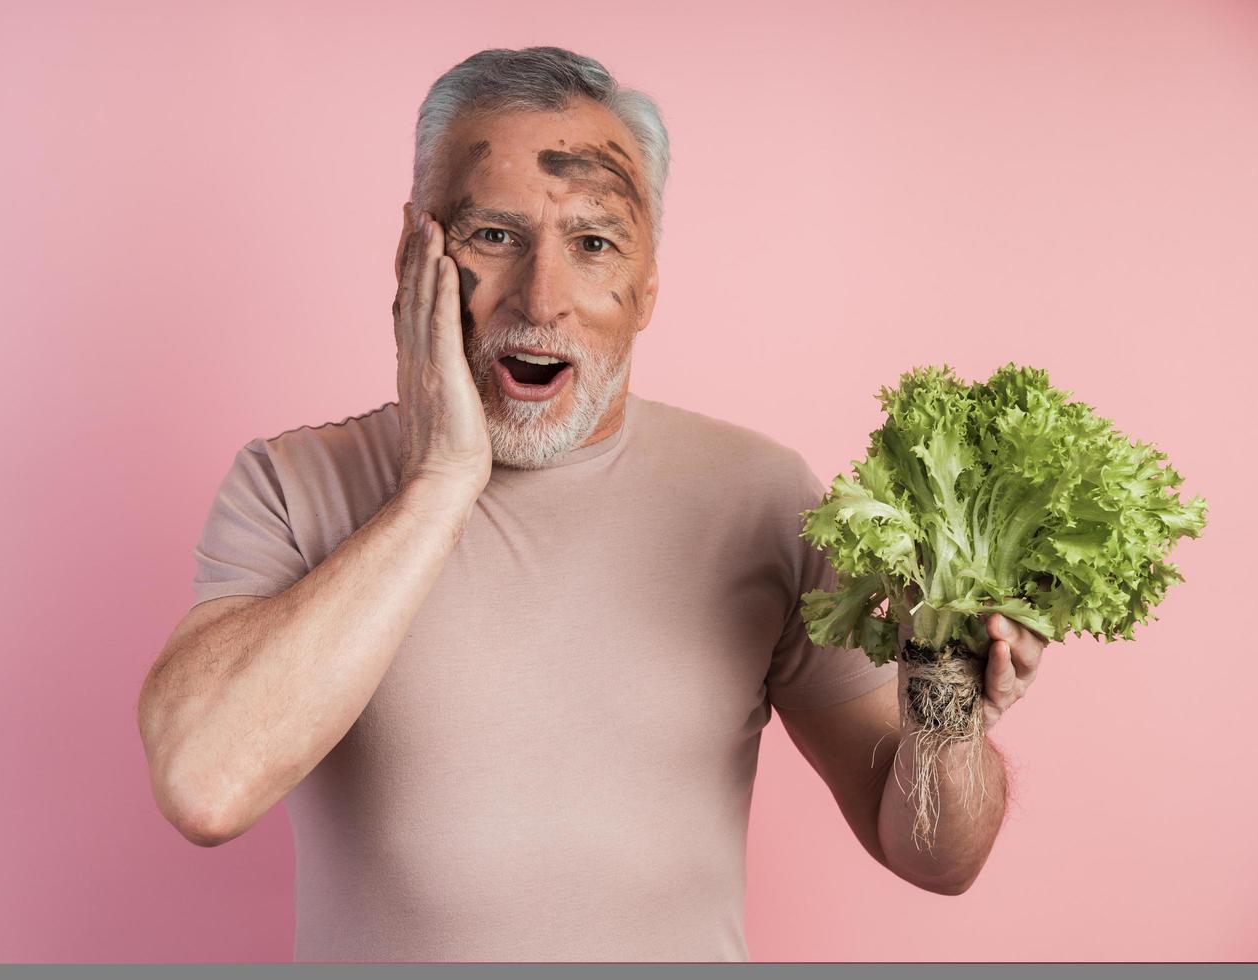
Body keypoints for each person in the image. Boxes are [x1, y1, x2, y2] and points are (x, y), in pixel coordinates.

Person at [136, 46, 1047, 963]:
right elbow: (207, 787)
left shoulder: (762, 498)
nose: (543, 298)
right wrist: (440, 483)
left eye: (594, 243)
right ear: (414, 248)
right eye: (493, 235)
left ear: (648, 284)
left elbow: (937, 861)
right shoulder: (291, 485)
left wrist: (949, 714)